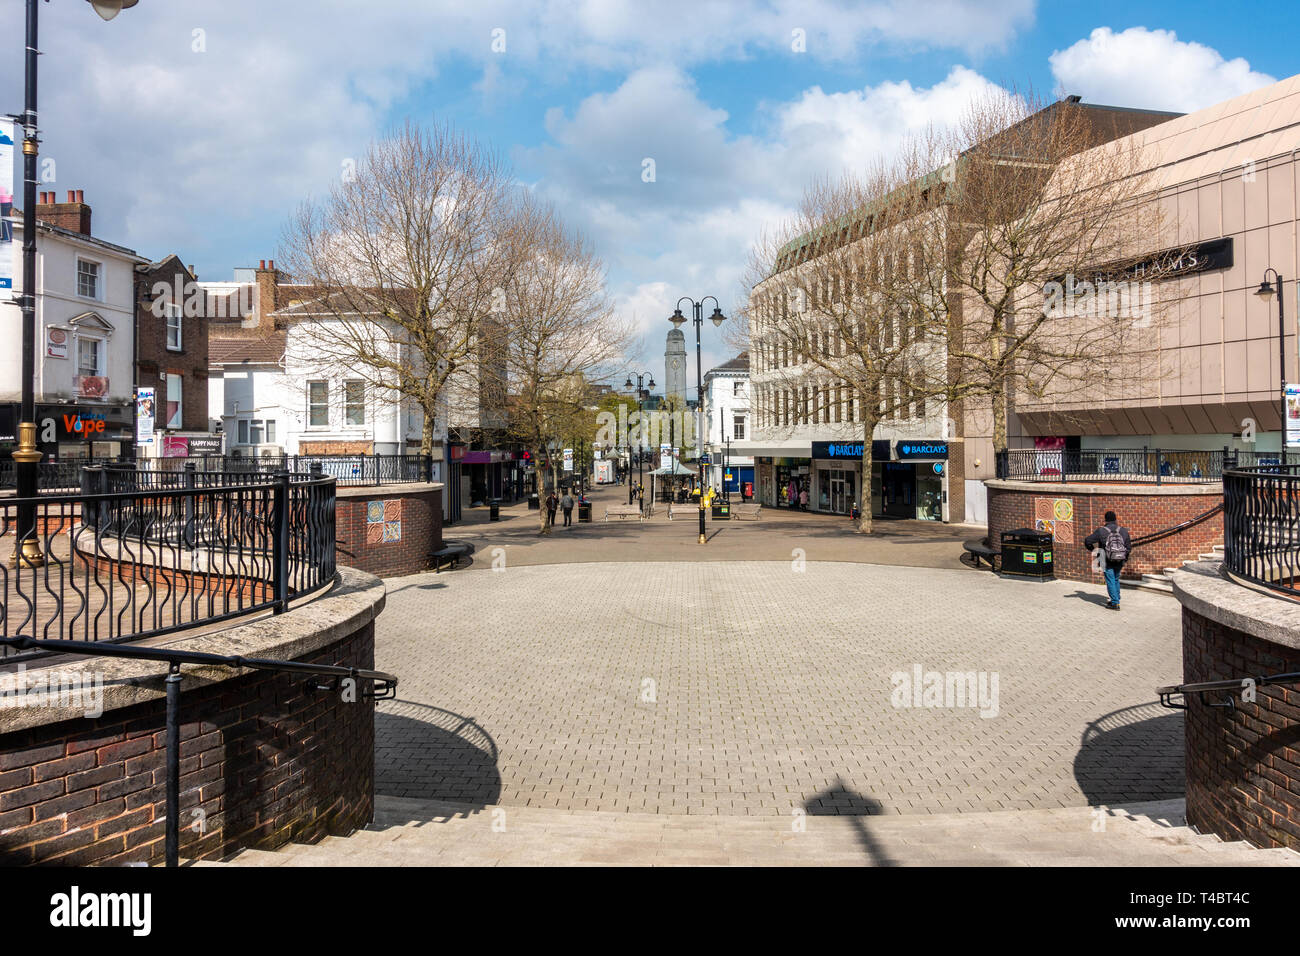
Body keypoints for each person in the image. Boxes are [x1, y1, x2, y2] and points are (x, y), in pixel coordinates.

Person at [1083, 510, 1132, 610]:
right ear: (1115, 519)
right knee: (1115, 578)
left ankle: (1115, 603)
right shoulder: (1123, 530)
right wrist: (1124, 557)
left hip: (1106, 559)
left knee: (1110, 580)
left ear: (1105, 520)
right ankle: (1116, 598)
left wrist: (1095, 551)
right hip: (1120, 559)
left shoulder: (1101, 531)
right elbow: (1128, 547)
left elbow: (1087, 541)